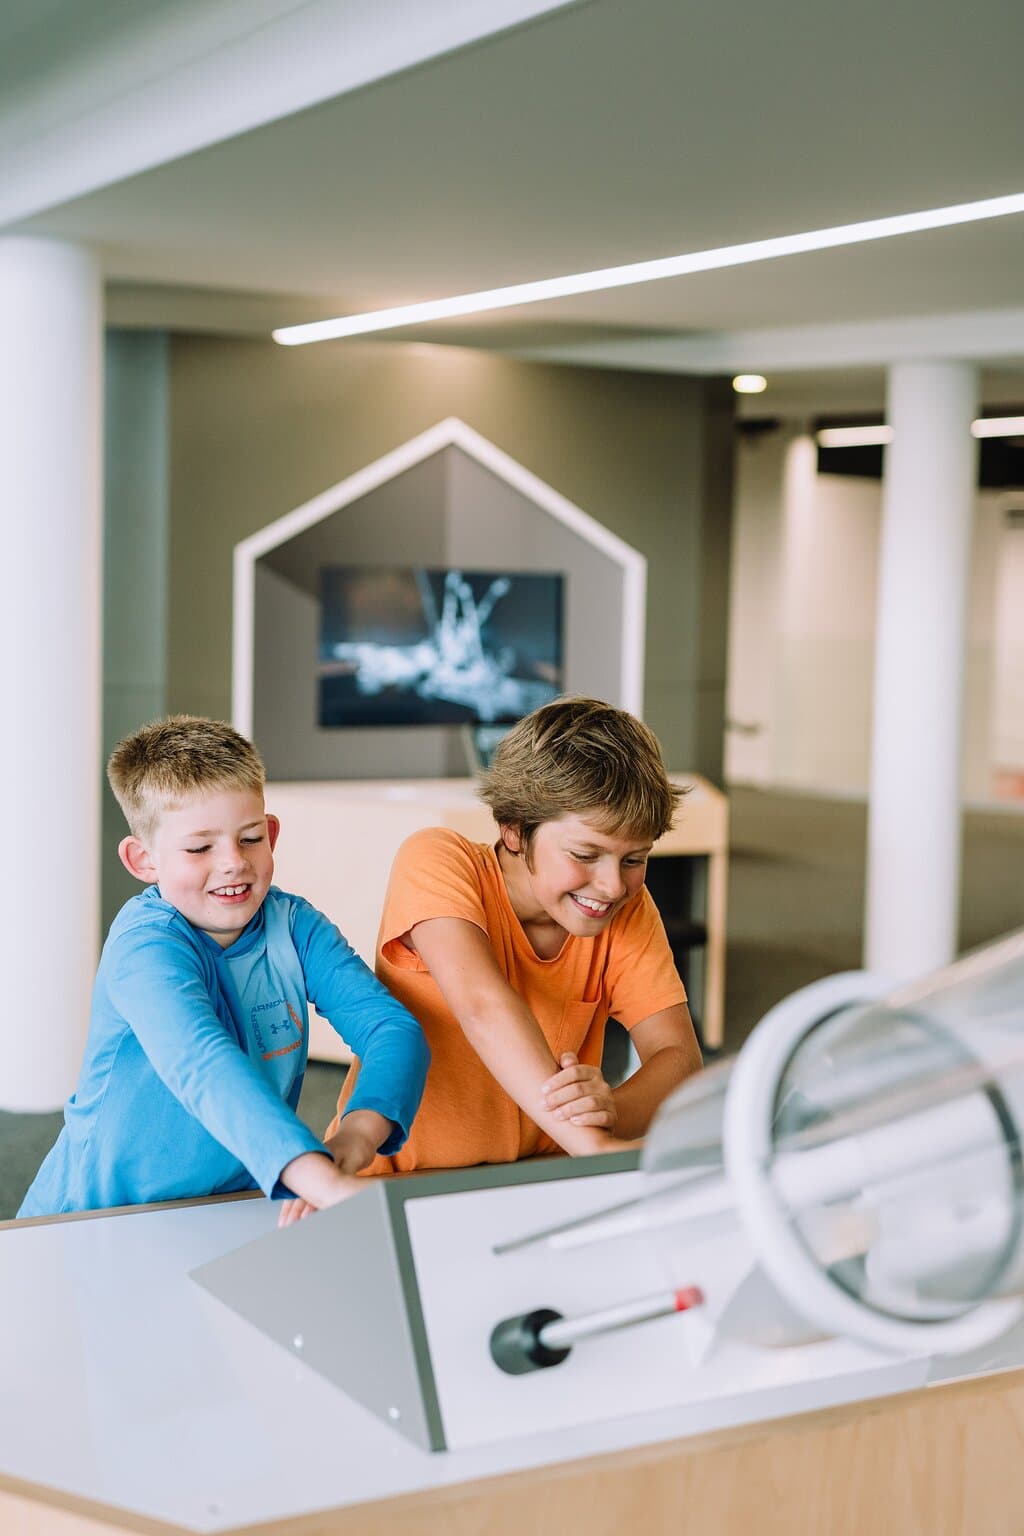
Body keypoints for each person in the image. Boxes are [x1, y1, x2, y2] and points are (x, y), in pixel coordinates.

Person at [18, 716, 429, 1221]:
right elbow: (202, 1064)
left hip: (232, 1205)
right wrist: (317, 1178)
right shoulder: (143, 945)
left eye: (250, 838)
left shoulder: (295, 925)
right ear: (143, 860)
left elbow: (390, 1029)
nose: (233, 862)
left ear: (271, 834)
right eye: (199, 848)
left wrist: (356, 1138)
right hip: (94, 1217)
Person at [327, 696, 702, 1173]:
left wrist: (609, 1110)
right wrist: (591, 1144)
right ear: (514, 831)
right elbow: (482, 1007)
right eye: (585, 855)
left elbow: (678, 1057)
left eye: (633, 859)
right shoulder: (437, 860)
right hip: (392, 1182)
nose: (612, 885)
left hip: (536, 1180)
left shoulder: (627, 908)